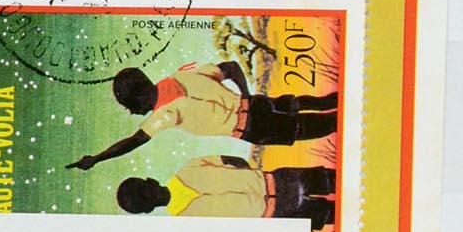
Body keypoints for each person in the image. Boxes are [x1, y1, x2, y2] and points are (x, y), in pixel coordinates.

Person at [69, 58, 337, 170]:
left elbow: (133, 141)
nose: (132, 112)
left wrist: (97, 158)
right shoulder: (181, 74)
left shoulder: (165, 114)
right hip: (258, 105)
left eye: (129, 105)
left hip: (253, 128)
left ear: (137, 99)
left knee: (325, 125)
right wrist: (245, 95)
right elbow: (231, 67)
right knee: (316, 104)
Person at [116, 155, 335, 231]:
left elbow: (233, 160)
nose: (151, 194)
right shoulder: (186, 223)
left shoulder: (189, 168)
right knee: (337, 212)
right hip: (279, 209)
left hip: (280, 185)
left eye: (145, 192)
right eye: (145, 197)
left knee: (338, 188)